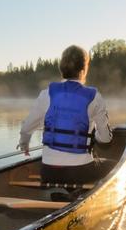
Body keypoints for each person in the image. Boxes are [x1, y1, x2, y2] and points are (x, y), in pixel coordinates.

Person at [18, 44, 112, 186]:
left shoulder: (46, 94)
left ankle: (64, 194)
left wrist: (24, 144)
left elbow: (26, 128)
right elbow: (105, 140)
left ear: (61, 69)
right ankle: (78, 193)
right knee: (114, 165)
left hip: (48, 171)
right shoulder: (95, 97)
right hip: (80, 172)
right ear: (84, 69)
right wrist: (96, 136)